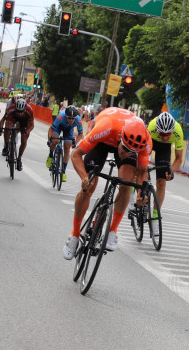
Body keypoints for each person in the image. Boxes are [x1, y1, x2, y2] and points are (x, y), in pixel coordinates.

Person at [62, 108, 152, 259]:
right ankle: (74, 235)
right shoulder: (104, 127)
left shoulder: (144, 142)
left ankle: (112, 230)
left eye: (132, 152)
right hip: (103, 141)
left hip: (127, 139)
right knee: (88, 187)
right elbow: (76, 154)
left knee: (126, 185)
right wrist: (84, 177)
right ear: (119, 137)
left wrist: (140, 194)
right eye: (125, 150)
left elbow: (142, 172)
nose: (127, 154)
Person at [147, 111, 185, 210]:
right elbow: (142, 151)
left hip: (164, 148)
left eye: (168, 134)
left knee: (161, 182)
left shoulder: (178, 131)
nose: (164, 137)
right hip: (151, 142)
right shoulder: (151, 126)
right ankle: (136, 195)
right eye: (161, 133)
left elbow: (179, 159)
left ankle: (156, 216)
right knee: (140, 169)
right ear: (157, 130)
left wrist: (171, 171)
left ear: (172, 131)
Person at [46, 105, 84, 182]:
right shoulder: (61, 116)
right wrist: (50, 139)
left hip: (69, 130)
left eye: (73, 118)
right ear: (66, 116)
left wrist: (75, 143)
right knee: (55, 141)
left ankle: (63, 172)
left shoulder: (78, 120)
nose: (71, 120)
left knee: (67, 149)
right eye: (69, 118)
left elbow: (80, 134)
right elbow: (51, 129)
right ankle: (50, 155)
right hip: (59, 127)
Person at [0, 97, 34, 170]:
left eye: (21, 111)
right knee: (7, 126)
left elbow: (32, 125)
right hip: (13, 118)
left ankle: (19, 159)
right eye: (18, 111)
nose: (20, 113)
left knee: (24, 140)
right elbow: (2, 120)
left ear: (25, 109)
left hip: (24, 121)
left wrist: (27, 131)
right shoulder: (11, 109)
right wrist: (1, 129)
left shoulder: (29, 110)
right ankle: (6, 146)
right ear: (15, 108)